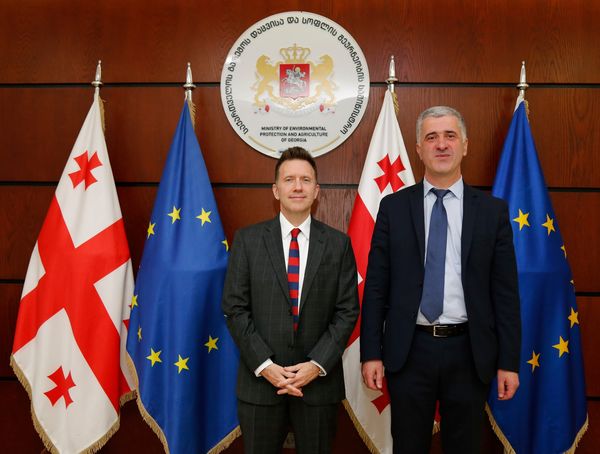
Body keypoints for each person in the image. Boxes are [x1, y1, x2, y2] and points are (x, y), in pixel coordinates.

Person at [360, 106, 521, 453]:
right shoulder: (393, 208)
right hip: (409, 350)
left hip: (470, 352)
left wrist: (509, 362)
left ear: (465, 145)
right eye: (431, 137)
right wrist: (371, 353)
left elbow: (505, 294)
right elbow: (376, 287)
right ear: (419, 149)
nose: (442, 144)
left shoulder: (492, 212)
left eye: (450, 136)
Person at [222, 147, 359, 454]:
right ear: (276, 190)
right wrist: (265, 365)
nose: (298, 187)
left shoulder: (338, 244)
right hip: (260, 385)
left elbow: (347, 311)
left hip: (318, 386)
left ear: (316, 191)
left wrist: (316, 364)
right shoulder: (247, 240)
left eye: (305, 180)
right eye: (289, 180)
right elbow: (234, 308)